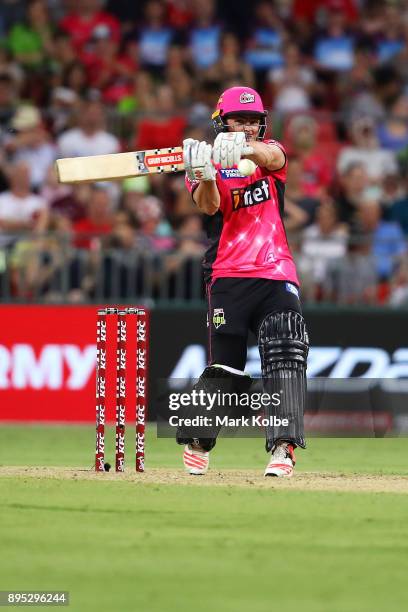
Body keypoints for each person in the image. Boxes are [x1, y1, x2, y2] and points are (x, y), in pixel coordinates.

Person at [178, 86, 309, 478]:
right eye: (240, 120)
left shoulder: (268, 152)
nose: (249, 126)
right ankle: (199, 438)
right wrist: (203, 173)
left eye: (254, 120)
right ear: (223, 121)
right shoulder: (205, 161)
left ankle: (283, 449)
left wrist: (243, 150)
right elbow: (209, 206)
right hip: (227, 275)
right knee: (228, 368)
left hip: (275, 271)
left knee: (286, 349)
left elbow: (274, 156)